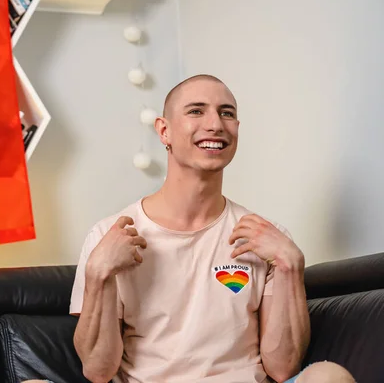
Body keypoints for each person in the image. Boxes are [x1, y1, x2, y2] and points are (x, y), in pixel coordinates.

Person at [61, 75, 355, 383]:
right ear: (164, 131)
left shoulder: (267, 240)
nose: (215, 124)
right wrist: (98, 274)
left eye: (227, 113)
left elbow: (283, 368)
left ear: (236, 130)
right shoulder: (109, 236)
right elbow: (97, 370)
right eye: (196, 111)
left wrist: (291, 266)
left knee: (330, 376)